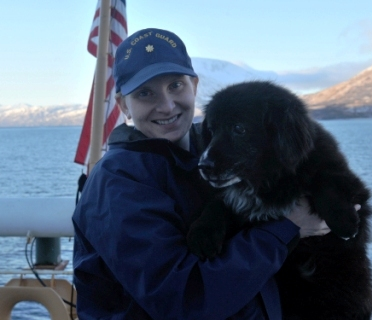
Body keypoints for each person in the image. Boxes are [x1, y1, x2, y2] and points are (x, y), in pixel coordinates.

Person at [72, 28, 331, 320]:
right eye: (146, 93)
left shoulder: (214, 152)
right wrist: (286, 228)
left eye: (175, 86)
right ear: (123, 105)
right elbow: (183, 298)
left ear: (194, 86)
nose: (167, 105)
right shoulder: (118, 181)